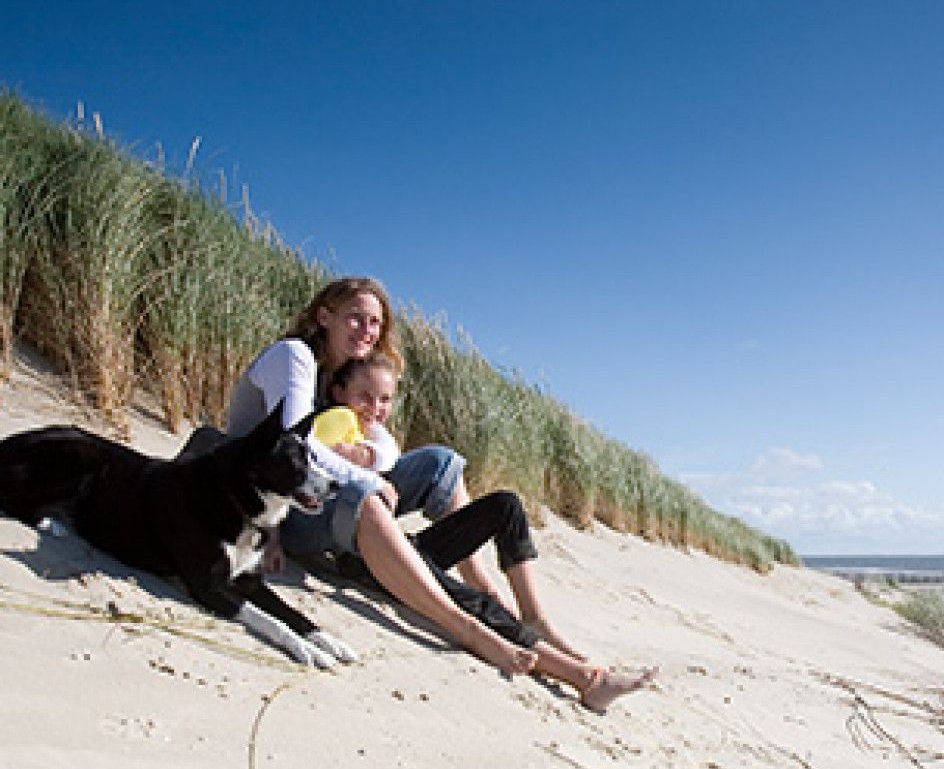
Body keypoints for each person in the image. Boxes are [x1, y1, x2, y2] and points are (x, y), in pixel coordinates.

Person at [225, 277, 657, 712]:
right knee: (371, 501)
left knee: (441, 463)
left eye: (375, 322)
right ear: (324, 316)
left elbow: (386, 448)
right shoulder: (295, 357)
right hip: (275, 504)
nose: (366, 329)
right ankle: (466, 626)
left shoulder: (349, 380)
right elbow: (294, 447)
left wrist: (368, 458)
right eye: (355, 317)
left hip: (321, 497)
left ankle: (495, 592)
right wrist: (368, 480)